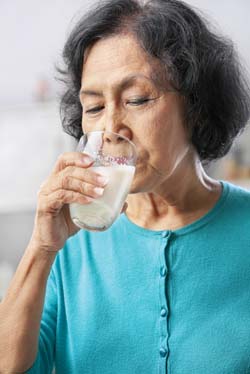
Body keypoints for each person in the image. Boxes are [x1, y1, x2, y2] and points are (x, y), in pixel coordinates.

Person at [1, 0, 250, 373]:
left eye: (137, 99)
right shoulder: (67, 245)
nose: (112, 127)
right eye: (95, 107)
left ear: (196, 105)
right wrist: (41, 248)